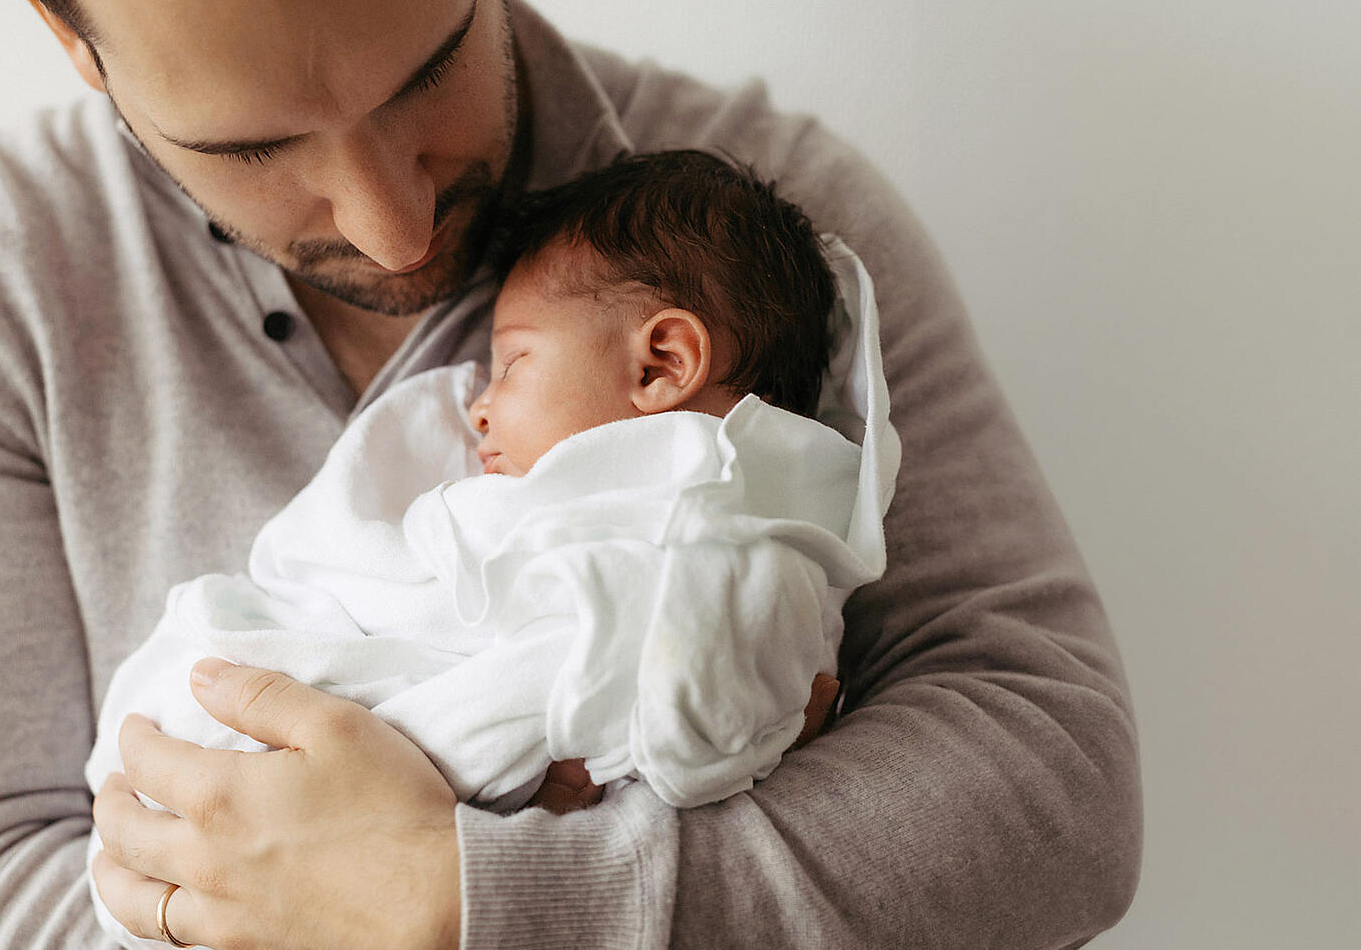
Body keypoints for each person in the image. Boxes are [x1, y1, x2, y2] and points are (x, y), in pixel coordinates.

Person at [0, 0, 1143, 948]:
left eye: (423, 71)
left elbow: (1054, 784)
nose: (388, 222)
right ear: (64, 30)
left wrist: (477, 900)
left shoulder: (773, 227)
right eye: (254, 148)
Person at [81, 151, 898, 948]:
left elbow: (695, 713)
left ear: (661, 364)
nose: (477, 406)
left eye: (512, 363)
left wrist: (465, 880)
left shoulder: (727, 540)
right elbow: (354, 584)